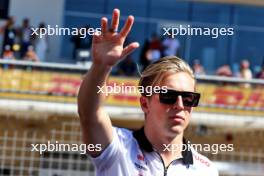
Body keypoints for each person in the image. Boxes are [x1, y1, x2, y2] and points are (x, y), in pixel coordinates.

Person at [78, 9, 219, 176]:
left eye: (189, 98)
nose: (180, 105)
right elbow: (90, 114)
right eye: (169, 96)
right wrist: (101, 66)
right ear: (145, 103)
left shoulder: (206, 169)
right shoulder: (119, 146)